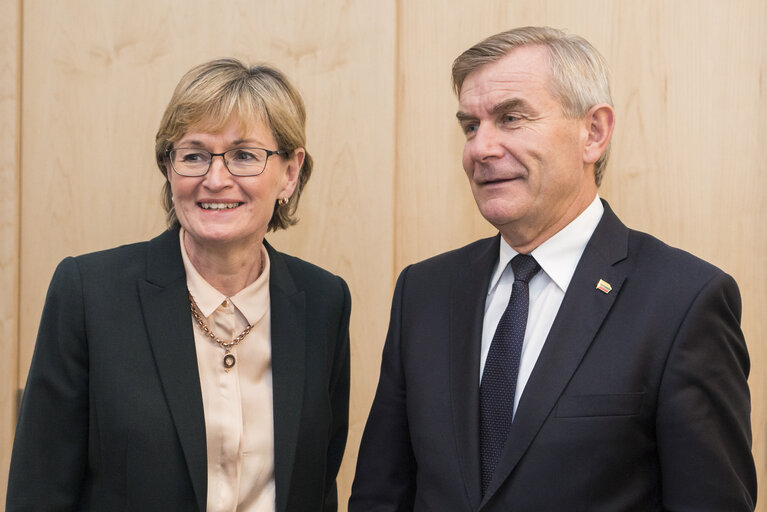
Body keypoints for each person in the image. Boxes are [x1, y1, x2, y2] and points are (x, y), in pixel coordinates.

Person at [349, 26, 756, 511]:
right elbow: (381, 495)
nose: (481, 148)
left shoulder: (683, 301)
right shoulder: (425, 291)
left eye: (511, 118)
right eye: (470, 126)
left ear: (594, 133)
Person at [7, 58, 350, 511]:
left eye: (244, 155)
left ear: (289, 172)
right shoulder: (89, 294)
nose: (215, 179)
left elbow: (319, 485)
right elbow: (39, 492)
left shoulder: (323, 302)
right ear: (169, 170)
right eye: (194, 155)